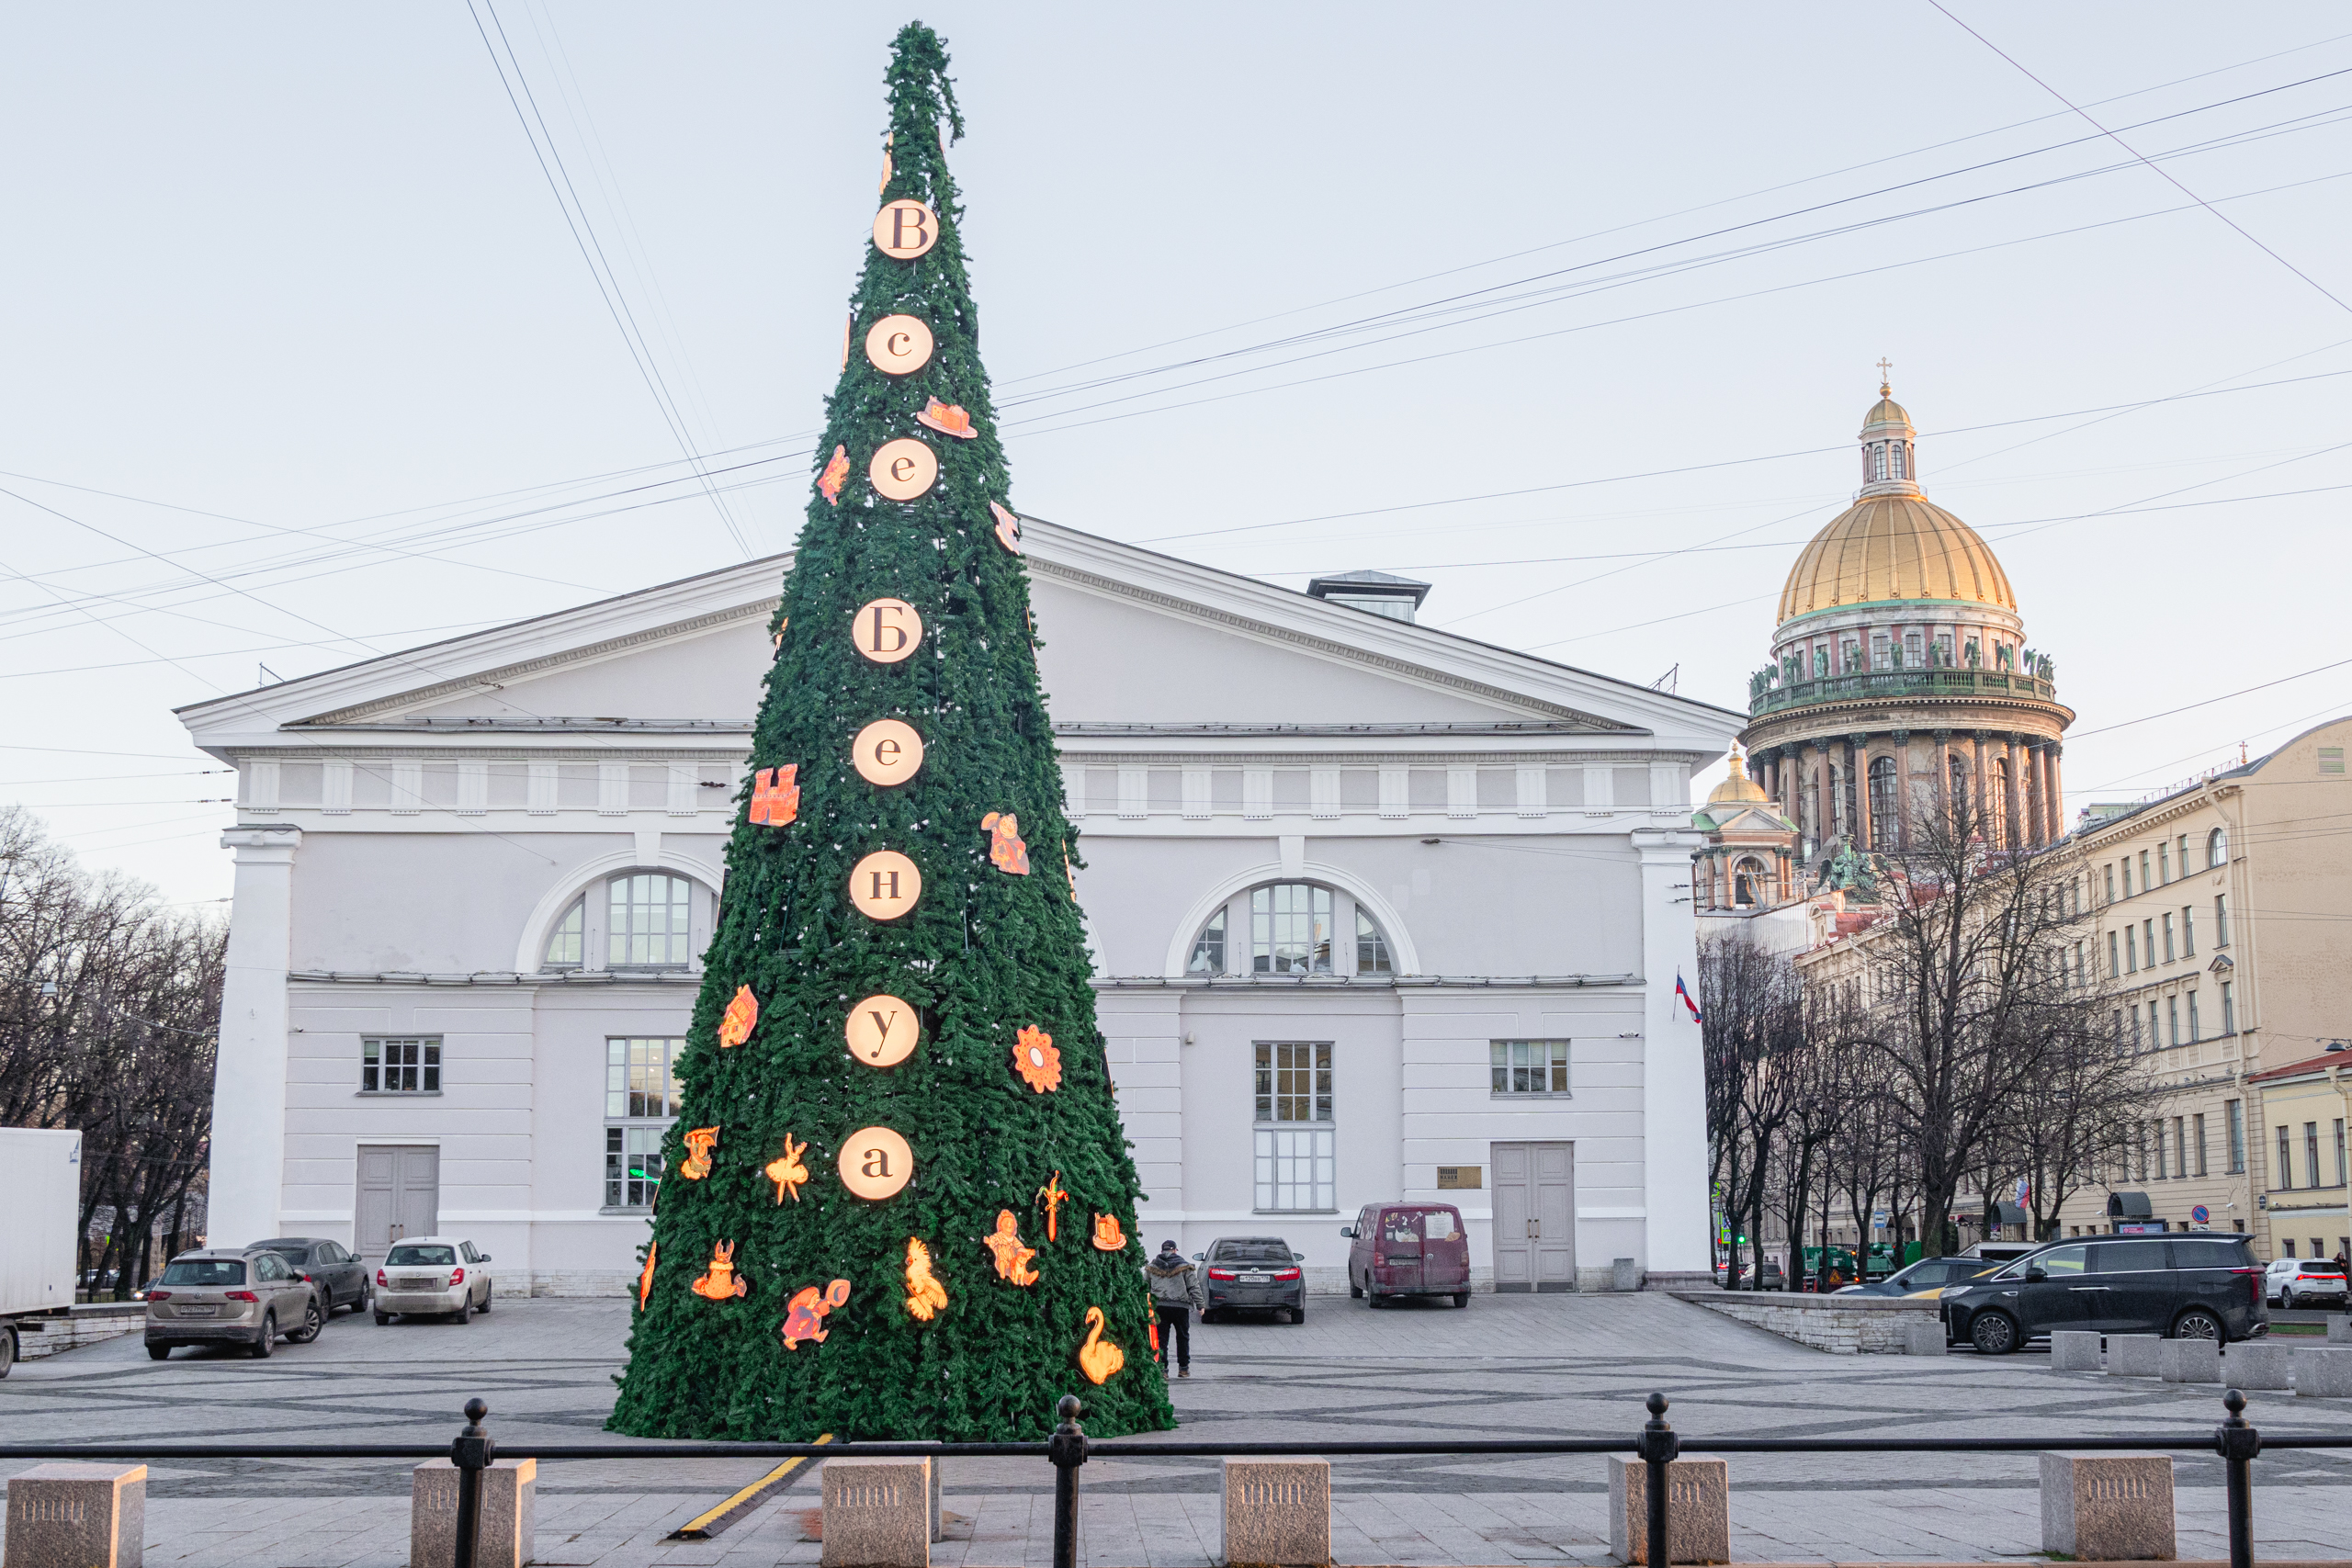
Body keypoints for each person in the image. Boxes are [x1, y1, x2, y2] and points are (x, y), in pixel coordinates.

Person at [1145, 1240, 1205, 1379]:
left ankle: (1163, 1370)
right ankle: (1183, 1369)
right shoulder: (1184, 1266)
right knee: (1183, 1337)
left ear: (1162, 1251)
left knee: (1161, 1339)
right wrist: (1200, 1305)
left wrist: (1145, 1306)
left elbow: (1145, 1287)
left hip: (1160, 1307)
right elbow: (1193, 1287)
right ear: (1175, 1250)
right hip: (1180, 1307)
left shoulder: (1151, 1267)